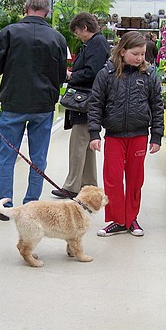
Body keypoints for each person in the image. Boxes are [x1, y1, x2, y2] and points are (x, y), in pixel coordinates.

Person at [0, 0, 68, 221]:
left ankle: (3, 205)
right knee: (38, 157)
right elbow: (61, 75)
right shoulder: (58, 38)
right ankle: (31, 205)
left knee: (7, 156)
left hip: (13, 102)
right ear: (48, 11)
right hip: (43, 106)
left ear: (25, 7)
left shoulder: (9, 33)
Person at [88, 31, 164, 237]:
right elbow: (95, 104)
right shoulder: (106, 75)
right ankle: (117, 220)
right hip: (113, 135)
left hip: (139, 135)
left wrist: (156, 136)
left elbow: (157, 106)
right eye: (136, 53)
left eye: (143, 54)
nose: (141, 58)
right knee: (112, 178)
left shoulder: (149, 76)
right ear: (122, 52)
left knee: (135, 178)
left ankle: (131, 219)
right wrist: (94, 133)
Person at [51, 12, 110, 199]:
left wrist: (71, 76)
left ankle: (71, 186)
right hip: (88, 100)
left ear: (85, 27)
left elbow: (92, 71)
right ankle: (89, 184)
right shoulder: (93, 44)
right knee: (86, 145)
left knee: (78, 143)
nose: (77, 36)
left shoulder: (97, 44)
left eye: (77, 32)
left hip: (86, 100)